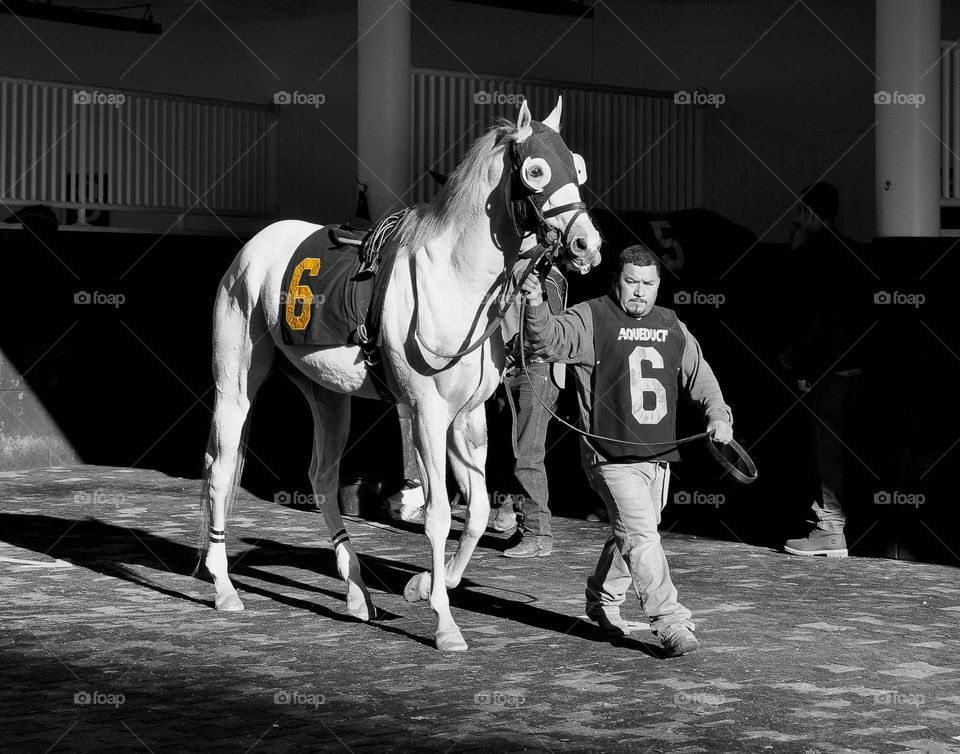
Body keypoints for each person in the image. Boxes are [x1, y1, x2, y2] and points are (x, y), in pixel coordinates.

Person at [521, 244, 734, 657]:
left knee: (632, 534)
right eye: (631, 282)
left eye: (648, 284)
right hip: (610, 456)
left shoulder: (672, 324)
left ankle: (601, 601)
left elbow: (699, 373)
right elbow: (546, 339)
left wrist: (718, 414)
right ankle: (670, 622)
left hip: (658, 457)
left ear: (658, 285)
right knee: (641, 534)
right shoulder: (591, 316)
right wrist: (534, 304)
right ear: (616, 281)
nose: (639, 291)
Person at [781, 183, 868, 558]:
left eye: (799, 212)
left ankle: (830, 529)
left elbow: (814, 324)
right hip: (857, 367)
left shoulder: (810, 258)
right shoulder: (856, 253)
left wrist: (800, 366)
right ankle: (835, 525)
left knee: (826, 447)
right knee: (846, 447)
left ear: (809, 213)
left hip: (828, 370)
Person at [494, 256, 571, 556]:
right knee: (510, 446)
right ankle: (510, 507)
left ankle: (538, 533)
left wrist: (511, 354)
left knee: (527, 452)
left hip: (536, 369)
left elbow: (544, 333)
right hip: (513, 369)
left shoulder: (543, 275)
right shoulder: (509, 268)